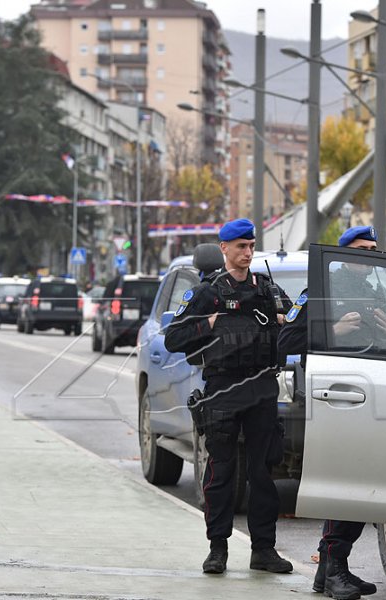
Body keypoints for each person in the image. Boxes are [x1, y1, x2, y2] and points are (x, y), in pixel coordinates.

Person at [164, 218, 294, 576]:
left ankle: (263, 550)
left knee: (263, 473)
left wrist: (289, 318)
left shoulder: (267, 288)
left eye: (251, 246)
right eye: (241, 247)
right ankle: (217, 549)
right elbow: (173, 337)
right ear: (224, 248)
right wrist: (210, 322)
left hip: (263, 388)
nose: (248, 253)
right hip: (223, 389)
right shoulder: (207, 292)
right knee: (221, 472)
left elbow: (296, 320)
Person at [278, 225, 386, 600]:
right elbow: (286, 342)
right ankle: (334, 569)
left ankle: (331, 570)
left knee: (362, 488)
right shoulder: (320, 292)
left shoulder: (379, 295)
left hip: (371, 396)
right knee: (346, 485)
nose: (370, 257)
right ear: (344, 254)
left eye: (375, 250)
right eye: (363, 250)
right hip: (337, 399)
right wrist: (332, 329)